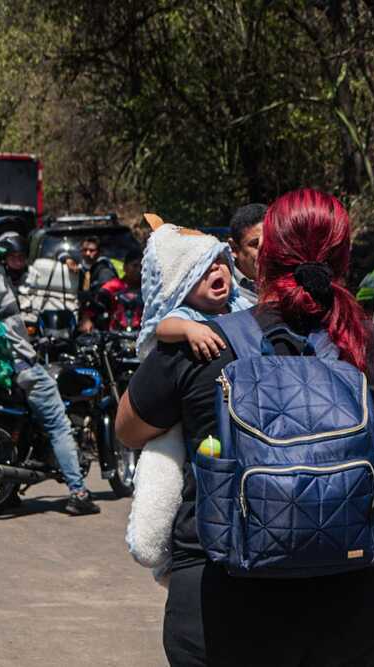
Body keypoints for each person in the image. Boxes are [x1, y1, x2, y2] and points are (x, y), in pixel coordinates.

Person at [116, 189, 374, 666]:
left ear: (263, 257)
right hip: (351, 609)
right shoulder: (372, 347)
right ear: (344, 260)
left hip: (222, 609)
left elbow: (128, 429)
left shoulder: (203, 343)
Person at [124, 216, 251, 581]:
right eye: (203, 268)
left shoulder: (241, 310)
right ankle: (156, 551)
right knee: (162, 471)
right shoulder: (183, 315)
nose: (217, 272)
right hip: (179, 424)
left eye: (220, 264)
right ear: (181, 281)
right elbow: (160, 327)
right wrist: (190, 330)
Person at [0, 225, 101, 516]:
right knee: (59, 426)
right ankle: (78, 492)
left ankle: (10, 487)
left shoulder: (0, 283)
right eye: (17, 258)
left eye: (23, 258)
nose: (23, 264)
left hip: (12, 367)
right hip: (25, 371)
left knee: (25, 424)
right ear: (3, 258)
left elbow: (5, 331)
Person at [77, 248, 144, 333]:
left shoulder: (149, 289)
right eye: (134, 266)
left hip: (142, 337)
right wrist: (86, 319)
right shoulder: (113, 286)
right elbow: (95, 306)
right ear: (125, 267)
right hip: (115, 335)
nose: (138, 270)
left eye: (141, 267)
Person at [227, 203, 265, 304]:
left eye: (272, 241)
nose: (266, 251)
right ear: (234, 248)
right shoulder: (223, 289)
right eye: (255, 244)